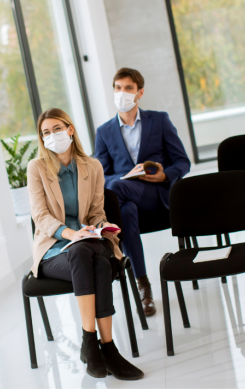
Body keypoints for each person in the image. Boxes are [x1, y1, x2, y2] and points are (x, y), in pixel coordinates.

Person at [28, 108, 143, 381]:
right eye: (45, 132)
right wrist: (71, 233)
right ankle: (106, 347)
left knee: (86, 251)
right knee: (100, 266)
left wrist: (100, 227)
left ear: (70, 129)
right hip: (54, 250)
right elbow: (40, 216)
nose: (51, 135)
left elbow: (96, 213)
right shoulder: (37, 168)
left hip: (89, 242)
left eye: (57, 129)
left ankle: (90, 343)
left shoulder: (92, 167)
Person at [94, 68, 191, 315]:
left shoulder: (159, 120)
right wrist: (126, 177)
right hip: (127, 200)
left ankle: (114, 254)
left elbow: (182, 162)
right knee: (124, 208)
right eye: (117, 87)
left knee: (116, 190)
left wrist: (165, 175)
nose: (122, 93)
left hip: (155, 196)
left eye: (128, 88)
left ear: (140, 92)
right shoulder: (104, 132)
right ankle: (143, 285)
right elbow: (100, 176)